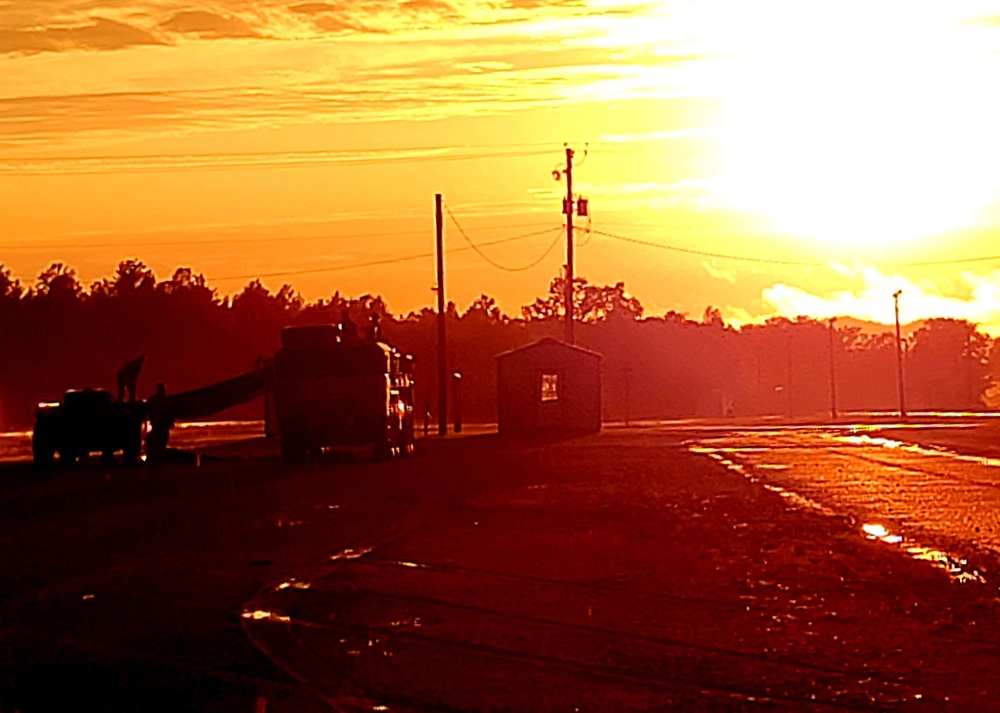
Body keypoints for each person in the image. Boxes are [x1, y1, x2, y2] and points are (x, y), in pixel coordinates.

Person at [146, 382, 174, 463]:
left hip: (156, 424)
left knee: (155, 441)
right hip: (162, 425)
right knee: (162, 441)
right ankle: (159, 458)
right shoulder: (166, 400)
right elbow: (169, 413)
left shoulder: (153, 400)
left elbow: (148, 411)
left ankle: (154, 457)